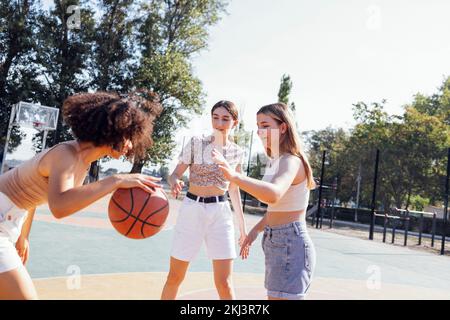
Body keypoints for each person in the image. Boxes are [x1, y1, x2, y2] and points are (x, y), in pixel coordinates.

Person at [0, 91, 162, 300]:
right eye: (128, 137)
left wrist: (23, 237)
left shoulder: (81, 164)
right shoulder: (66, 155)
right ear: (113, 130)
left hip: (10, 221)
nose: (130, 145)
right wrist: (116, 180)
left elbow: (31, 197)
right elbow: (59, 207)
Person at [212, 102, 316, 300]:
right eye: (258, 125)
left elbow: (273, 194)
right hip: (276, 240)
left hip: (289, 242)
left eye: (266, 125)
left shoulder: (290, 161)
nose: (260, 131)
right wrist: (254, 231)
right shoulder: (276, 161)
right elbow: (279, 209)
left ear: (283, 128)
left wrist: (234, 176)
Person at [161, 100, 247, 300]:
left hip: (220, 213)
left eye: (225, 119)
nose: (219, 123)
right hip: (192, 209)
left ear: (235, 122)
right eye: (215, 117)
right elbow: (174, 174)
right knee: (175, 276)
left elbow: (234, 191)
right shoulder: (196, 143)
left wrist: (242, 229)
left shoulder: (237, 152)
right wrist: (175, 182)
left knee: (224, 283)